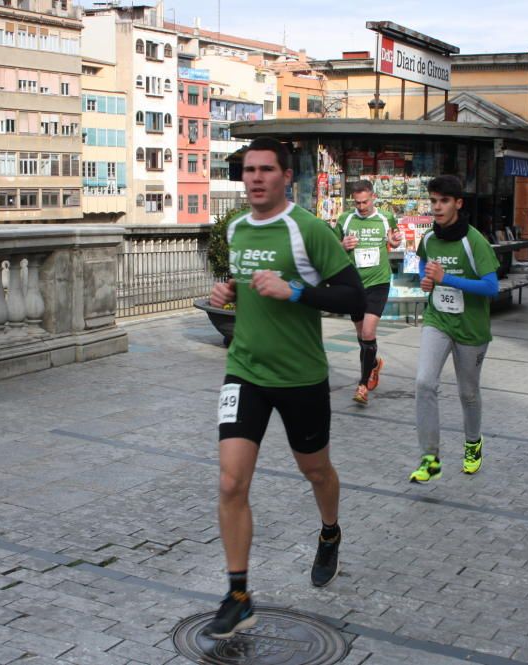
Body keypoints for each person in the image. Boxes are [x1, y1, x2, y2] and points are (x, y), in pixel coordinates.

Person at [205, 137, 365, 638]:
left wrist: (295, 291)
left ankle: (330, 531)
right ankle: (238, 594)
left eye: (266, 170)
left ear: (286, 177)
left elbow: (353, 296)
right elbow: (242, 287)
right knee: (231, 482)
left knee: (316, 471)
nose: (254, 178)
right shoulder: (234, 229)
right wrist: (225, 293)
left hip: (301, 378)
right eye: (248, 170)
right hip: (245, 371)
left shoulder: (307, 229)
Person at [410, 175, 500, 483]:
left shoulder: (474, 241)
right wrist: (425, 280)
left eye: (444, 201)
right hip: (438, 321)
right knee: (423, 382)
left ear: (458, 204)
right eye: (433, 201)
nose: (437, 207)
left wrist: (447, 278)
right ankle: (430, 457)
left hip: (471, 329)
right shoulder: (428, 239)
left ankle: (473, 443)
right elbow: (424, 267)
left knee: (468, 393)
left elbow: (491, 287)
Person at [335, 180, 404, 405]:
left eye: (365, 202)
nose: (362, 207)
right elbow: (332, 245)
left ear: (373, 197)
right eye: (357, 203)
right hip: (354, 284)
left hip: (378, 282)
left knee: (367, 332)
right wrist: (342, 245)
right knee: (361, 335)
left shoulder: (386, 217)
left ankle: (362, 385)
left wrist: (394, 241)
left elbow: (393, 240)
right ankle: (374, 364)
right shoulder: (346, 219)